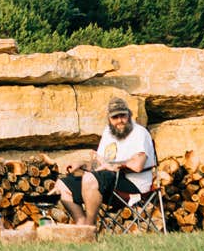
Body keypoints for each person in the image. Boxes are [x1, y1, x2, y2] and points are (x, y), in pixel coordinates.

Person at [57, 96, 154, 228]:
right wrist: (83, 164)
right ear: (109, 119)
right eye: (115, 117)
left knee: (90, 179)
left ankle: (89, 228)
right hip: (110, 180)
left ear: (129, 115)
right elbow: (100, 164)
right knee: (63, 185)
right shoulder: (108, 133)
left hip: (134, 184)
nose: (120, 121)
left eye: (123, 116)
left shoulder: (139, 133)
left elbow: (137, 165)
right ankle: (81, 223)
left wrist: (114, 165)